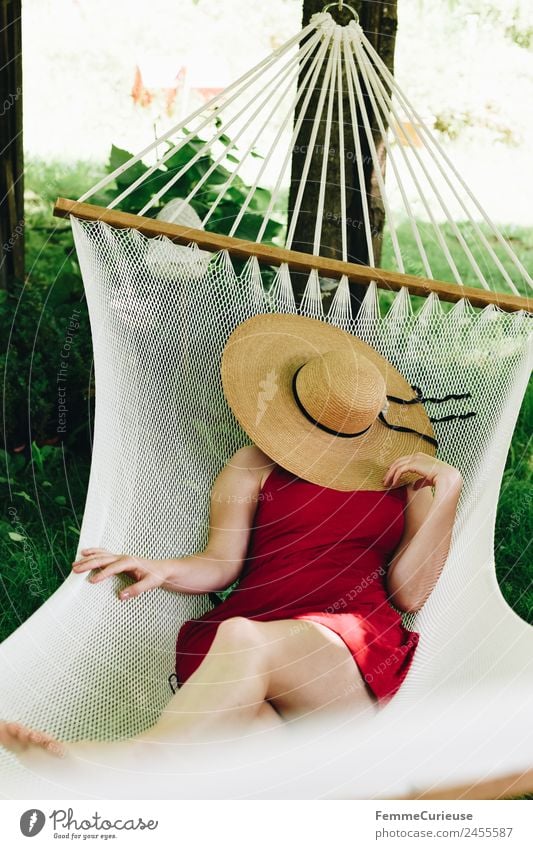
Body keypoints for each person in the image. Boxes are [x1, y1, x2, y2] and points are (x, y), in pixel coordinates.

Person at [0, 313, 464, 770]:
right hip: (237, 653)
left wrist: (447, 496)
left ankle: (129, 761)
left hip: (342, 655)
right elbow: (221, 562)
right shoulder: (254, 464)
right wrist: (162, 567)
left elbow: (411, 591)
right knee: (244, 752)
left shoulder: (404, 478)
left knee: (243, 639)